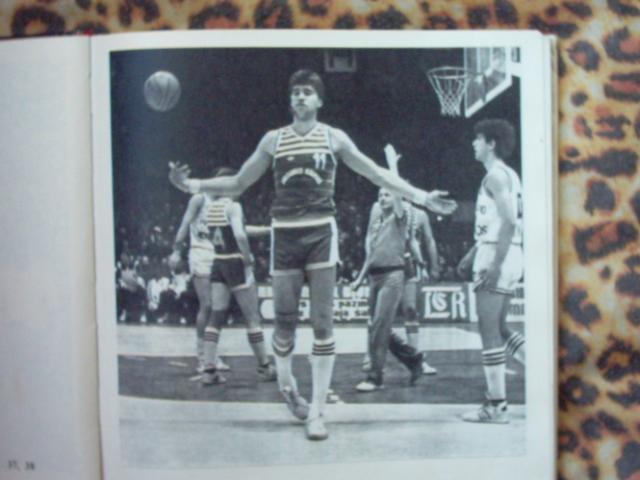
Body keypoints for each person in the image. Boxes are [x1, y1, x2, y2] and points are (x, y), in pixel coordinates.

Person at [169, 70, 456, 441]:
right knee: (284, 326)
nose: (301, 97)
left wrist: (422, 197)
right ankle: (287, 387)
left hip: (321, 233)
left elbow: (376, 174)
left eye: (307, 92)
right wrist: (191, 185)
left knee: (323, 325)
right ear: (290, 100)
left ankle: (318, 412)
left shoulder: (333, 137)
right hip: (285, 235)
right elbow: (238, 182)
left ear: (319, 100)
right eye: (296, 93)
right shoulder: (274, 140)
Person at [457, 118, 525, 424]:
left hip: (498, 254)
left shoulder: (494, 177)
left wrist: (493, 265)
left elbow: (508, 222)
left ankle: (496, 407)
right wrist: (472, 253)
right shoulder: (510, 174)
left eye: (478, 139)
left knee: (489, 332)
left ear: (491, 143)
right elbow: (497, 224)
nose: (473, 144)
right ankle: (547, 376)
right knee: (501, 328)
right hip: (510, 252)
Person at [350, 146, 426, 392]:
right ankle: (413, 359)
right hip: (374, 277)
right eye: (380, 195)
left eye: (387, 195)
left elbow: (398, 193)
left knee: (380, 327)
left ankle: (375, 377)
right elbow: (371, 256)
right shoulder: (376, 223)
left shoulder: (400, 218)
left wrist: (392, 166)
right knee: (376, 327)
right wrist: (360, 278)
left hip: (393, 275)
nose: (383, 198)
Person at [196, 168, 276, 385]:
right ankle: (264, 367)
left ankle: (208, 369)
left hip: (218, 261)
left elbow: (236, 229)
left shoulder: (211, 208)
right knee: (252, 317)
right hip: (235, 262)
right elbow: (239, 234)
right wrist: (247, 257)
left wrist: (267, 230)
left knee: (216, 317)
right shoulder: (234, 206)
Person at [170, 191, 231, 373]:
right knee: (207, 305)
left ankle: (212, 355)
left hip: (218, 254)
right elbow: (184, 223)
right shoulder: (199, 199)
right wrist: (176, 251)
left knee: (218, 308)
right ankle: (202, 356)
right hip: (200, 253)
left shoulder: (226, 201)